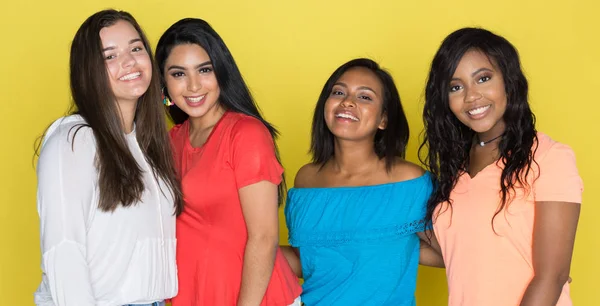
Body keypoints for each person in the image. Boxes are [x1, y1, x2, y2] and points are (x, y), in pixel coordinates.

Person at [420, 27, 583, 305]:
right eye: (455, 87)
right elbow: (460, 253)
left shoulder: (549, 158)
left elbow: (552, 276)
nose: (471, 96)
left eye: (483, 78)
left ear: (509, 80)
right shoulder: (454, 169)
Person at [34, 9, 182, 306]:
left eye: (136, 48)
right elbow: (64, 251)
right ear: (89, 71)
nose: (129, 62)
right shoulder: (73, 141)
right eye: (110, 56)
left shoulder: (146, 144)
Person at [155, 18, 302, 306]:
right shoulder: (171, 141)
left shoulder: (245, 134)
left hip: (255, 299)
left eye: (205, 70)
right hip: (196, 295)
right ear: (164, 83)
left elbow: (263, 237)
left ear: (222, 72)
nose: (193, 85)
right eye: (178, 74)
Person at [282, 58, 442, 306]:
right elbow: (306, 261)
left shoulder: (409, 181)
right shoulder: (306, 179)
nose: (347, 101)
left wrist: (399, 249)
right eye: (338, 92)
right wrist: (244, 246)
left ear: (383, 120)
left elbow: (450, 252)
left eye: (365, 97)